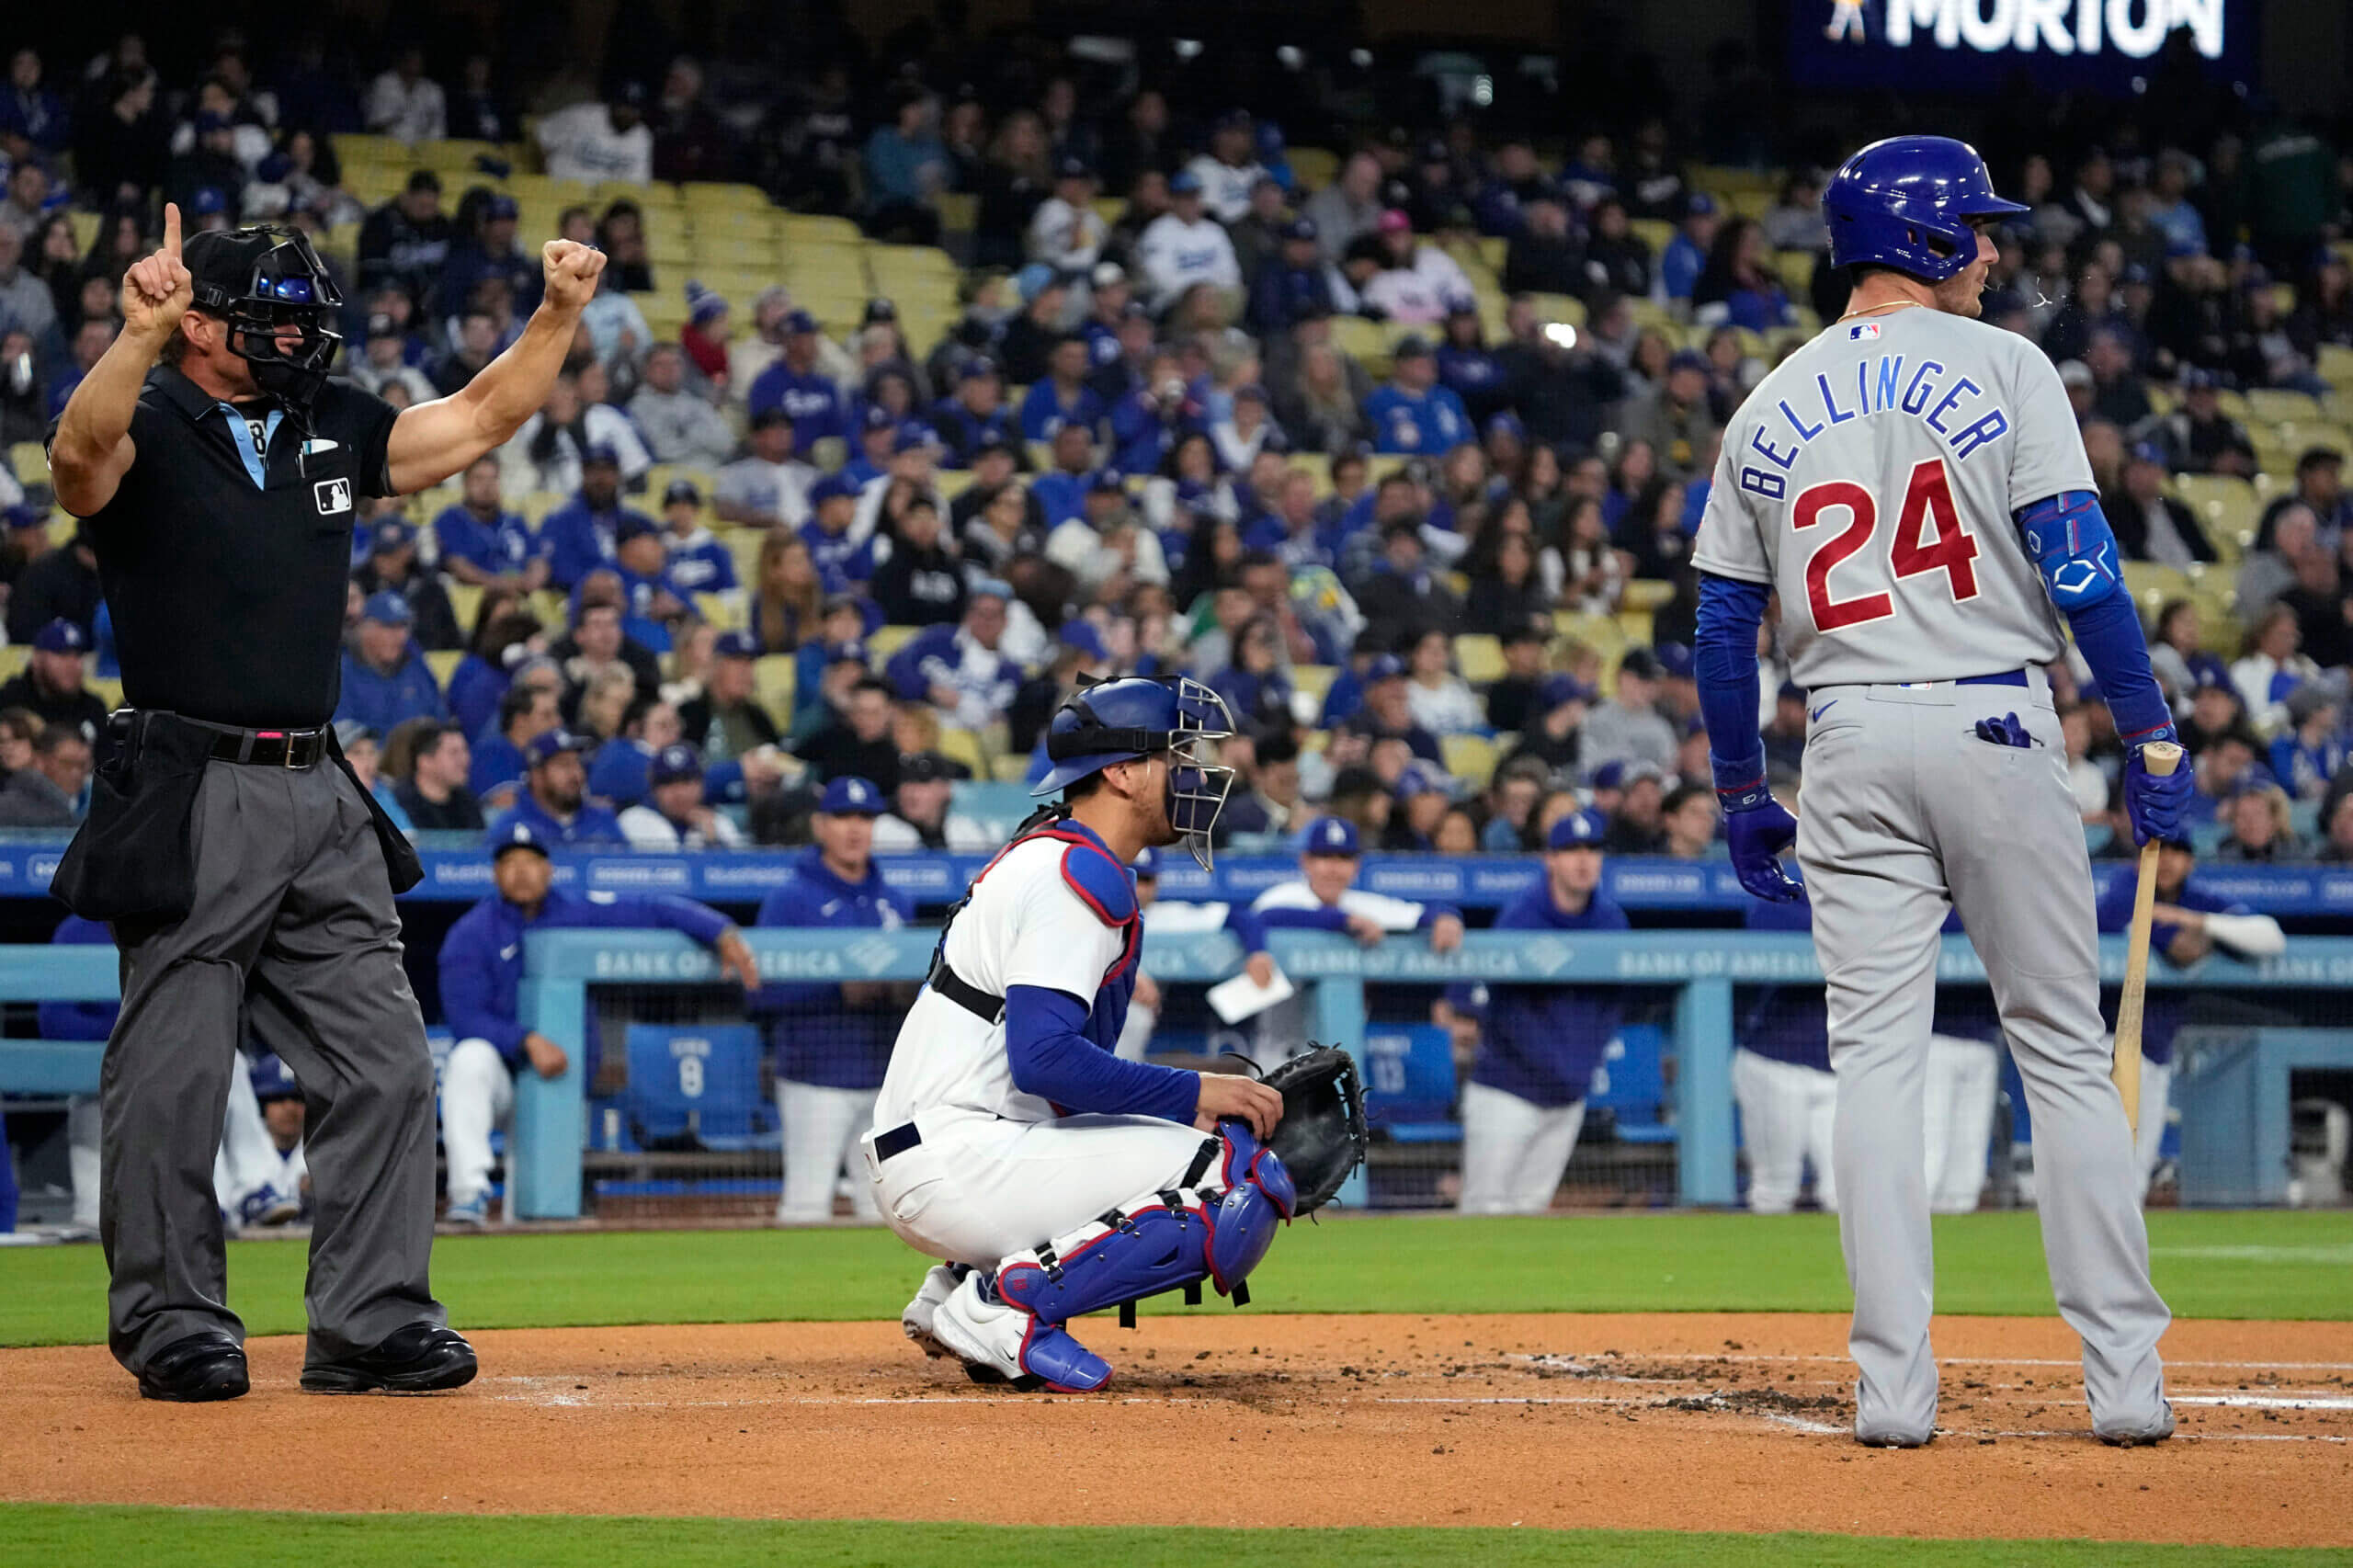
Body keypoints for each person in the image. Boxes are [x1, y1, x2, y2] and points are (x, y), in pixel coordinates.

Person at [40, 205, 606, 1400]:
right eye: (275, 316)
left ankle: (370, 1316)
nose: (303, 337)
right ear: (198, 323)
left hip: (321, 782)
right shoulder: (146, 414)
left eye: (308, 316)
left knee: (389, 1062)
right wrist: (133, 337)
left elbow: (481, 416)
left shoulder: (332, 426)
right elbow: (76, 463)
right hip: (192, 780)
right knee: (177, 1073)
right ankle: (171, 1316)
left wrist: (558, 311)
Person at [1690, 138, 2182, 1449]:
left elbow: (1722, 625)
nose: (1995, 249)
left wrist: (1743, 786)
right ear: (1917, 240)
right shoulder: (2011, 365)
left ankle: (1892, 1393)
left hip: (1843, 734)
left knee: (1876, 1071)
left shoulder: (1767, 400)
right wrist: (2151, 735)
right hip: (1994, 717)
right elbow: (2081, 573)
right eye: (1975, 228)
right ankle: (2125, 1384)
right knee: (2066, 1055)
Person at [874, 676, 1291, 1392]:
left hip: (947, 1151)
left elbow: (1053, 1071)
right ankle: (998, 1302)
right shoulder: (1077, 872)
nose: (1194, 773)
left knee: (1212, 1143)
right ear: (1124, 773)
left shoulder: (1051, 851)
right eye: (1176, 755)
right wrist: (1194, 1090)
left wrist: (1190, 1093)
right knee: (1235, 1176)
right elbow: (1043, 1062)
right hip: (962, 1159)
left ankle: (961, 1286)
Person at [438, 820, 757, 1225]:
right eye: (510, 862)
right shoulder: (471, 933)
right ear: (495, 873)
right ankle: (469, 1195)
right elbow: (466, 1018)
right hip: (502, 1080)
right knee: (468, 1058)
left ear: (549, 869)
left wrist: (720, 931)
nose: (521, 871)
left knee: (539, 1217)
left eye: (531, 861)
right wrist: (527, 1040)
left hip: (562, 1081)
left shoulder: (577, 910)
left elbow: (653, 908)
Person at [1439, 811, 1627, 1215]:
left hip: (1568, 1098)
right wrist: (1561, 1066)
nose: (1583, 860)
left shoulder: (1611, 920)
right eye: (1571, 850)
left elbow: (1614, 1006)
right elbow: (1491, 1005)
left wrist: (1577, 1070)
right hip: (1508, 1094)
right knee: (1484, 1210)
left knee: (1532, 1210)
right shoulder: (1522, 915)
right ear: (1551, 859)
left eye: (1592, 850)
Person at [2093, 836, 2285, 1194]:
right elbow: (2185, 950)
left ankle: (2123, 1246)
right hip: (2107, 1042)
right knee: (2104, 1157)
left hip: (2157, 1048)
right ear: (2139, 860)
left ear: (2190, 862)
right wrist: (2183, 930)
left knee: (2138, 1164)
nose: (2166, 861)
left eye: (2176, 852)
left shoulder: (2191, 899)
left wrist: (2194, 920)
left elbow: (2271, 938)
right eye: (2157, 851)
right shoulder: (2123, 888)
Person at [756, 776, 909, 1222]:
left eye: (865, 817)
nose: (854, 828)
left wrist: (899, 990)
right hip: (814, 1078)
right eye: (843, 817)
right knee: (806, 1204)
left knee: (888, 1211)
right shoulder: (790, 899)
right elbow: (758, 991)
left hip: (884, 1079)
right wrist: (836, 988)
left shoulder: (895, 901)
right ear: (821, 825)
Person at [1247, 815, 1465, 1065]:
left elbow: (1425, 913)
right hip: (1279, 1054)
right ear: (1305, 862)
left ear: (1357, 866)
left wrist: (1446, 918)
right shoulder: (1284, 896)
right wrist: (1342, 921)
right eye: (1324, 857)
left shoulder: (1361, 905)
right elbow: (1267, 916)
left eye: (1344, 858)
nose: (1334, 868)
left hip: (1340, 1055)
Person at [1733, 892, 1839, 1214]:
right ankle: (1759, 1264)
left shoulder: (1868, 891)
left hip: (1839, 1068)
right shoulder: (1781, 896)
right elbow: (1767, 923)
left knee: (1846, 1190)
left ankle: (1840, 1266)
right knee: (1775, 1188)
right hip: (1774, 1062)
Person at [484, 730, 625, 847]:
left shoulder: (602, 819)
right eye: (564, 765)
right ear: (537, 776)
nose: (576, 774)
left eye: (578, 763)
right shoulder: (510, 828)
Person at [335, 591, 447, 735]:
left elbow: (441, 719)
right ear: (364, 628)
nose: (401, 636)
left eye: (403, 627)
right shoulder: (343, 674)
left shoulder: (416, 667)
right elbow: (341, 735)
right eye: (390, 627)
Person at [619, 742, 742, 849]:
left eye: (687, 781)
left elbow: (740, 871)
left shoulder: (720, 824)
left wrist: (713, 840)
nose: (679, 792)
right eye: (668, 782)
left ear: (702, 785)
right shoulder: (635, 819)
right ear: (653, 790)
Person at [0, 618, 106, 737]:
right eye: (62, 654)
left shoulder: (93, 709)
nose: (72, 664)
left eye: (78, 655)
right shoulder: (9, 703)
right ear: (37, 659)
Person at [871, 749, 991, 851]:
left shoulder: (965, 831)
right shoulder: (881, 829)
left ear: (946, 788)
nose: (911, 792)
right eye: (906, 781)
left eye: (923, 782)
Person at [391, 720, 483, 832]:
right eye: (453, 752)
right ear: (425, 762)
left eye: (465, 750)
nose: (465, 759)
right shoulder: (396, 804)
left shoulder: (467, 802)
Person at [0, 721, 89, 825]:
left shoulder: (94, 800)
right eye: (67, 764)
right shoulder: (13, 807)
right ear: (41, 761)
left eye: (82, 765)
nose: (76, 773)